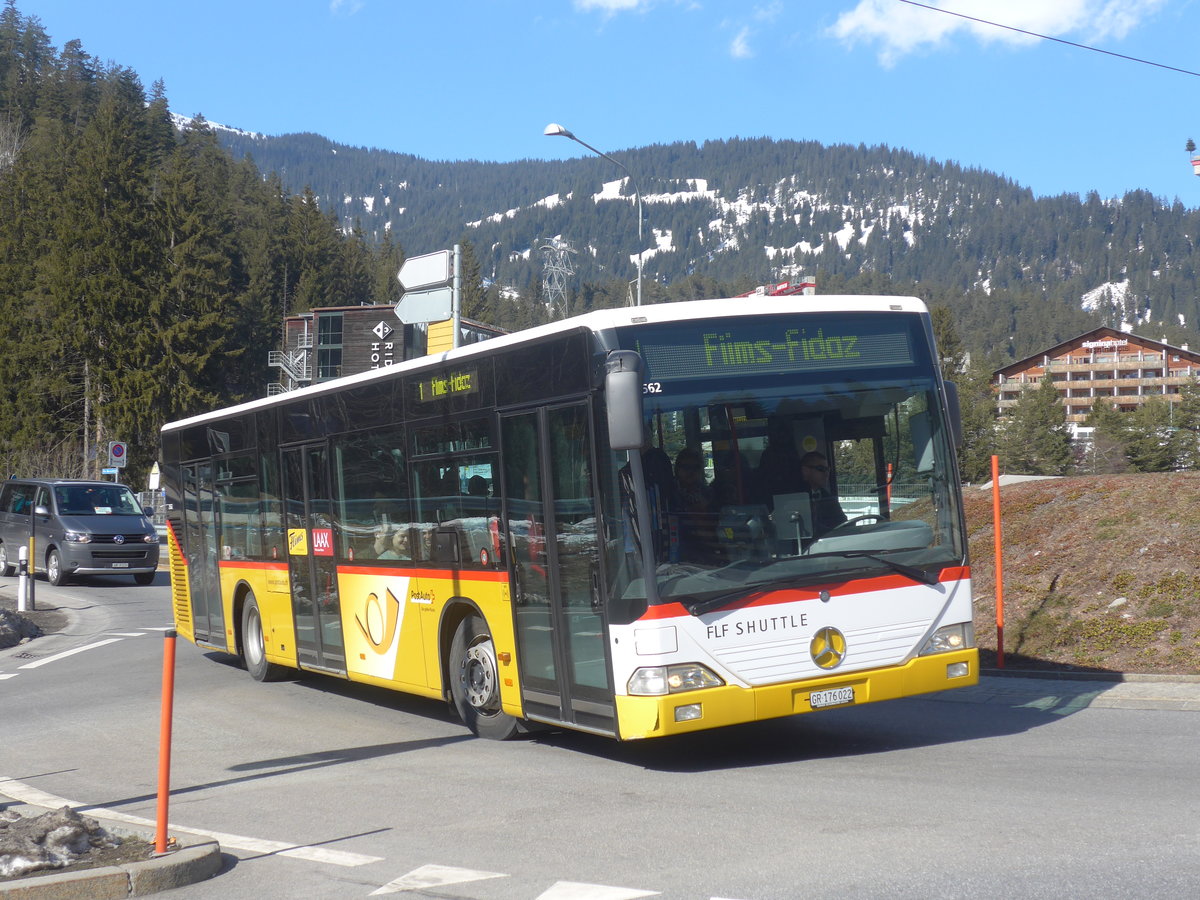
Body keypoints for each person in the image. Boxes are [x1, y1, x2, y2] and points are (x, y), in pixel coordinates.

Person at [799, 451, 847, 536]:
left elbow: (843, 523)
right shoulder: (795, 498)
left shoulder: (829, 498)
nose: (826, 474)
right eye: (821, 469)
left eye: (828, 469)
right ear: (805, 471)